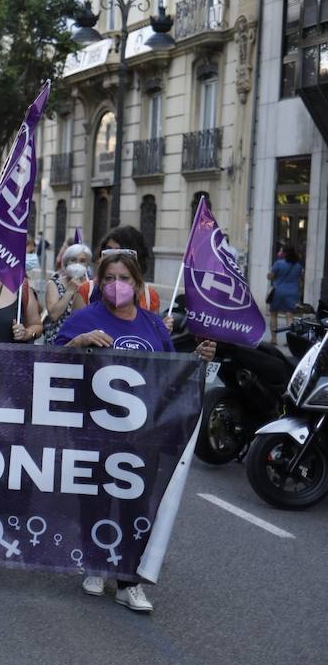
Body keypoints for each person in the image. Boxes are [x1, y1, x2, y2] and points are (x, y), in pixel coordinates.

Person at [55, 249, 215, 612]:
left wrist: (199, 359)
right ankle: (96, 565)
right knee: (95, 498)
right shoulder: (86, 318)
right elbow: (51, 358)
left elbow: (171, 370)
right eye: (109, 278)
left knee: (137, 505)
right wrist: (77, 343)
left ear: (137, 283)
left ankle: (129, 580)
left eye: (124, 279)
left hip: (143, 434)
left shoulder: (153, 324)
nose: (116, 286)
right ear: (99, 282)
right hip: (93, 428)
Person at [78, 226, 161, 311]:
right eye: (108, 250)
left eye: (118, 252)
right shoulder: (86, 290)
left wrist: (160, 324)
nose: (111, 257)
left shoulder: (149, 296)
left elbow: (152, 323)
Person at [44, 243, 92, 345]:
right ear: (66, 262)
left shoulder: (91, 285)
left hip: (85, 340)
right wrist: (70, 291)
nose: (77, 264)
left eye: (82, 261)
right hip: (57, 340)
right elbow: (53, 315)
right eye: (73, 260)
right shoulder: (54, 283)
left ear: (87, 265)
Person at [267, 242, 304, 335]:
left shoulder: (278, 263)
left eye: (281, 251)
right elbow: (301, 282)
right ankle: (290, 339)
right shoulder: (298, 266)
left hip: (278, 292)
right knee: (289, 316)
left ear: (285, 253)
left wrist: (271, 275)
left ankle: (274, 338)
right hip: (293, 292)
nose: (280, 252)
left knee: (273, 314)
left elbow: (270, 277)